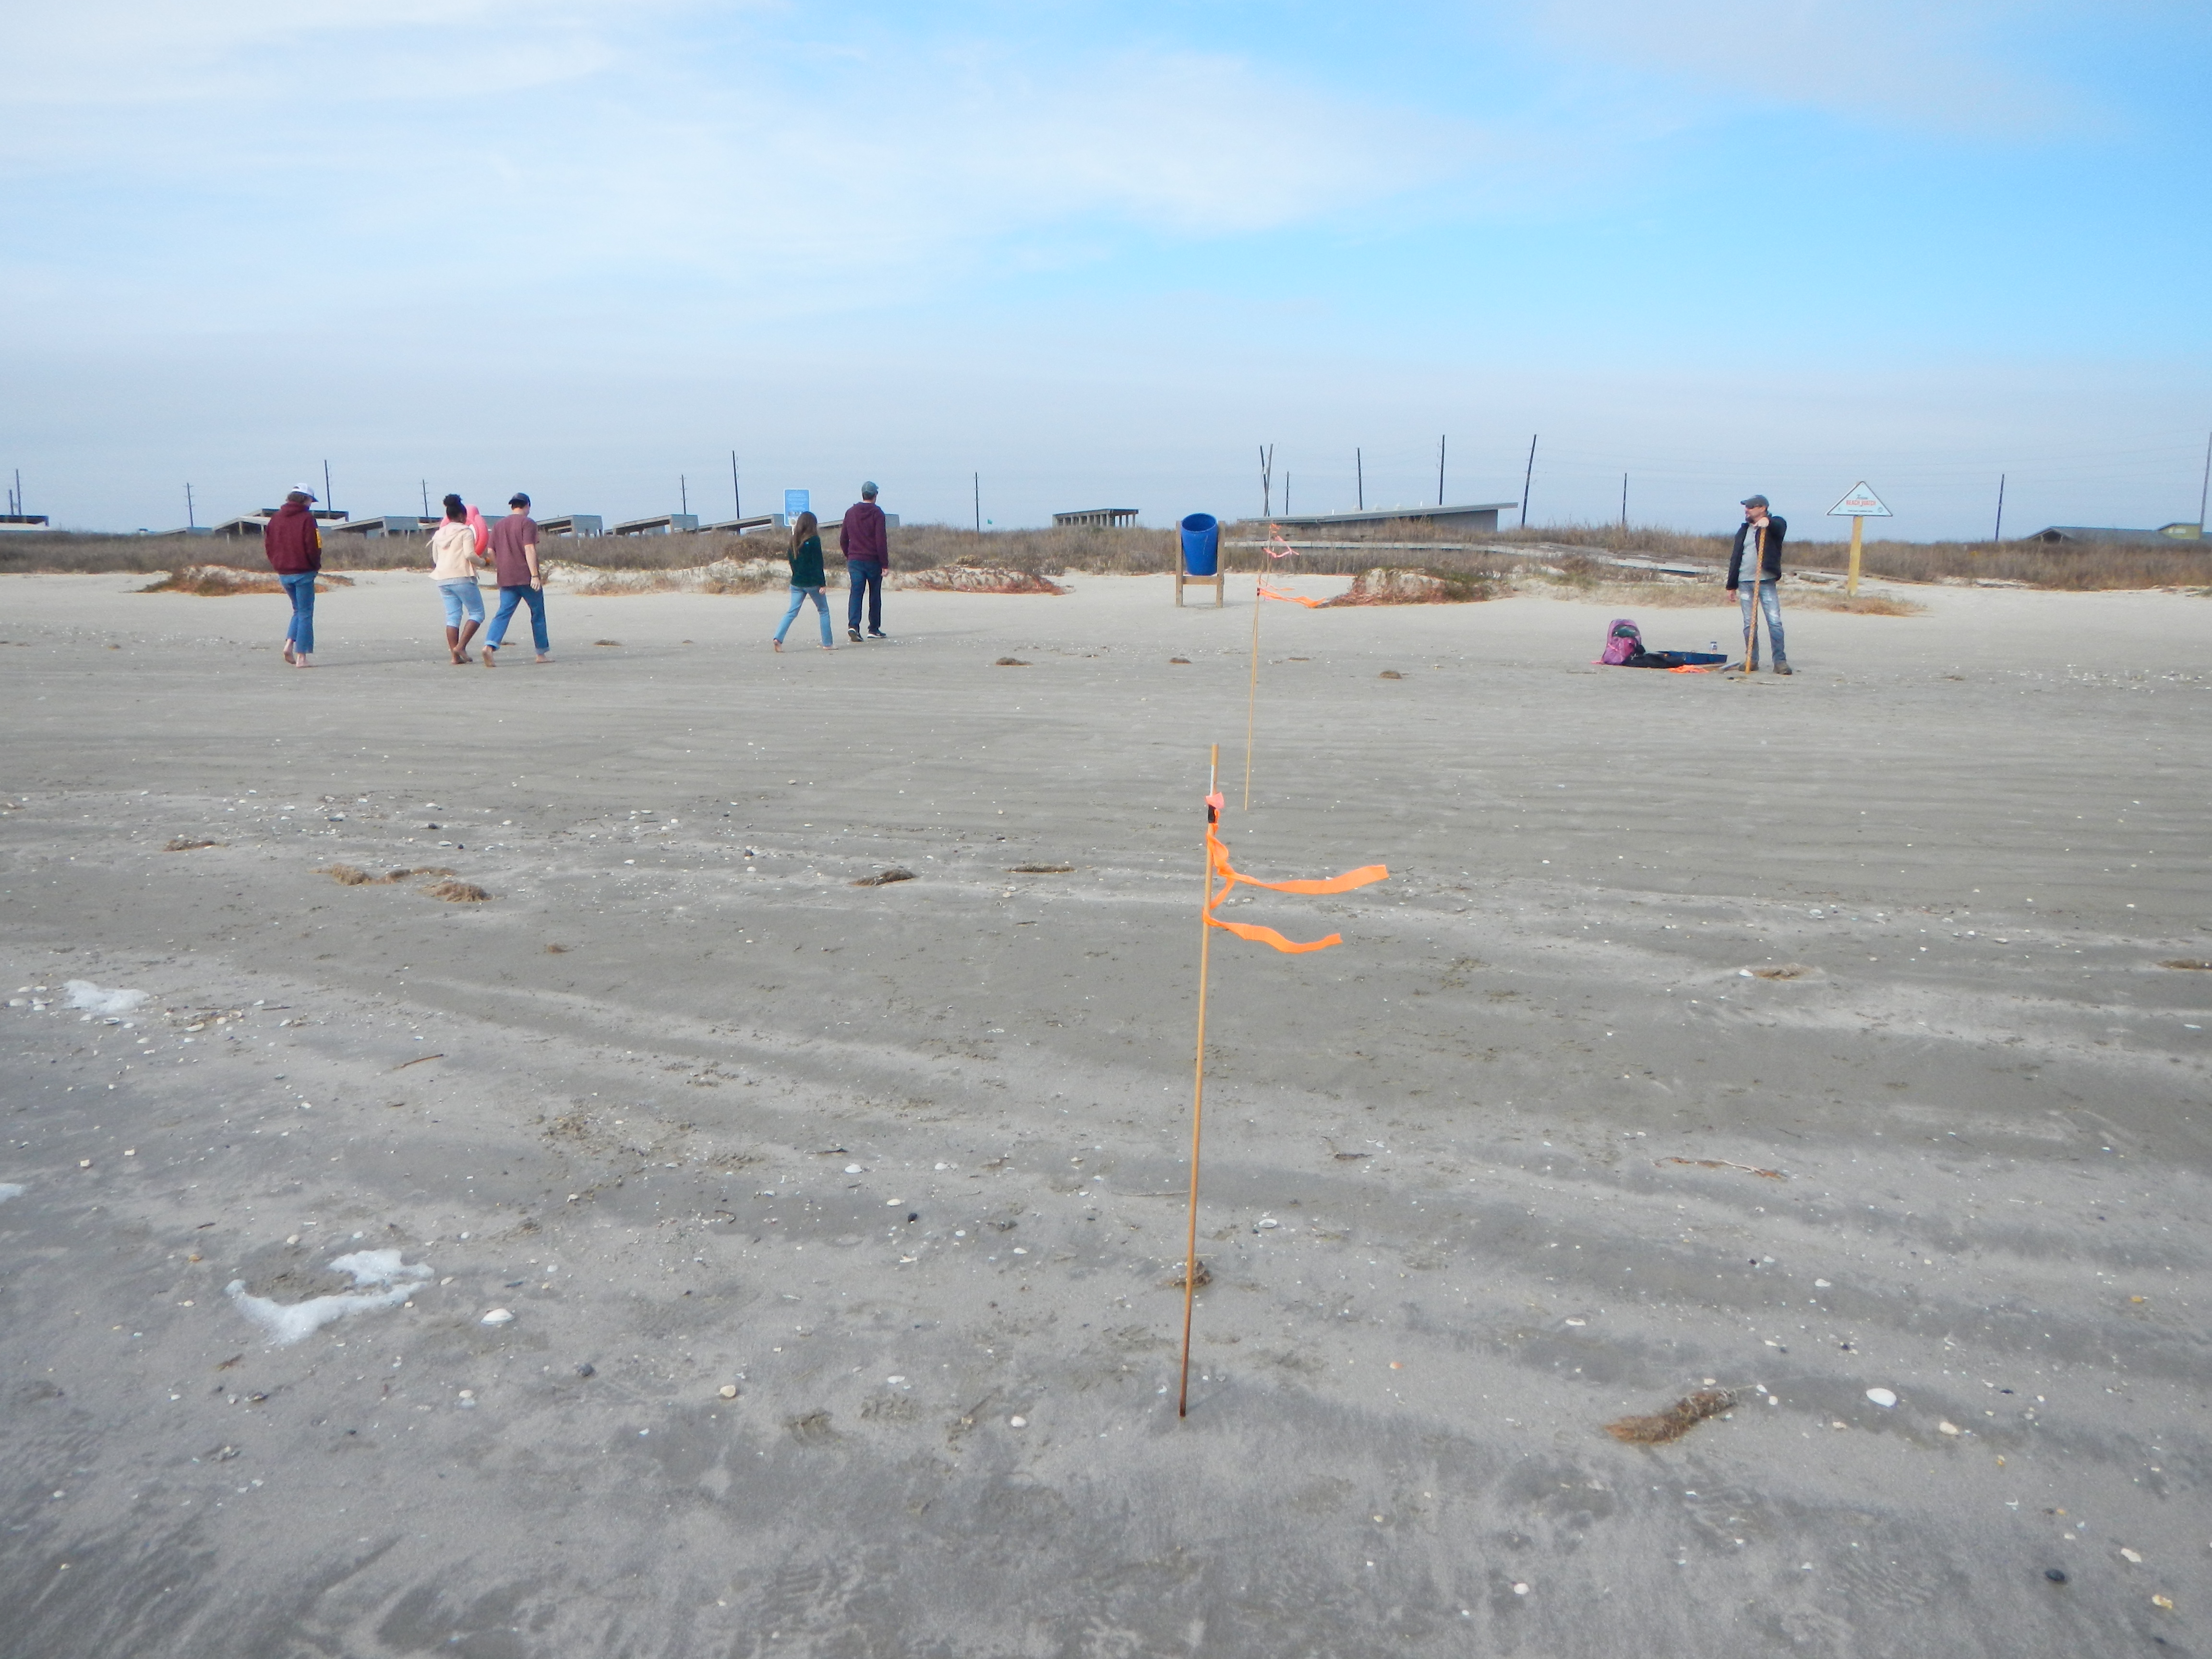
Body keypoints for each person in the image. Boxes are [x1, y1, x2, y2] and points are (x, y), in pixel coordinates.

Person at [482, 493, 550, 666]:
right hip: (525, 576)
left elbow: (490, 552)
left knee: (503, 613)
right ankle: (541, 653)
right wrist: (535, 575)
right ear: (527, 505)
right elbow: (529, 549)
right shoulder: (528, 523)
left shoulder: (499, 525)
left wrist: (501, 567)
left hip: (506, 576)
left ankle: (489, 646)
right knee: (538, 614)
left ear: (512, 506)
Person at [1727, 494, 1791, 674]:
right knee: (1750, 624)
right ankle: (1752, 659)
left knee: (1774, 622)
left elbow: (1780, 525)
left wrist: (1768, 522)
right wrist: (1731, 585)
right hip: (1745, 582)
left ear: (1762, 508)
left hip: (1765, 581)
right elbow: (1736, 558)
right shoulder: (1743, 530)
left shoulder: (1774, 526)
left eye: (1750, 507)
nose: (1746, 510)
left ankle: (1780, 662)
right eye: (1746, 507)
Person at [263, 485, 323, 668]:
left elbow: (269, 545)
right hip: (303, 571)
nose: (311, 504)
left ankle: (289, 644)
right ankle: (302, 657)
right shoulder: (307, 518)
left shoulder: (275, 518)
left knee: (298, 610)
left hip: (284, 572)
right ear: (304, 499)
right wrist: (315, 566)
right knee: (305, 613)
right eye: (310, 500)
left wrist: (277, 564)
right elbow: (314, 546)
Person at [429, 493, 488, 664]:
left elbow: (435, 558)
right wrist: (483, 562)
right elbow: (470, 554)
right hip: (462, 576)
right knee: (477, 613)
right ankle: (461, 646)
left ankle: (454, 657)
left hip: (442, 578)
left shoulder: (439, 534)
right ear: (463, 516)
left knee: (453, 617)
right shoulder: (465, 532)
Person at [772, 511, 834, 651]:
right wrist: (822, 583)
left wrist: (797, 575)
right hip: (812, 582)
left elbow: (792, 562)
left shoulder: (794, 540)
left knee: (792, 612)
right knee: (823, 611)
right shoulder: (814, 540)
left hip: (797, 582)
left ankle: (778, 638)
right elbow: (818, 563)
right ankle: (828, 643)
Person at [839, 480, 888, 641]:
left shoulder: (851, 512)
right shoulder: (877, 513)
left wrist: (849, 555)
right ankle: (873, 628)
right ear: (875, 495)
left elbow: (843, 539)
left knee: (856, 592)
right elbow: (881, 540)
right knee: (875, 594)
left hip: (855, 560)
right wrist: (885, 564)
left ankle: (853, 625)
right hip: (873, 560)